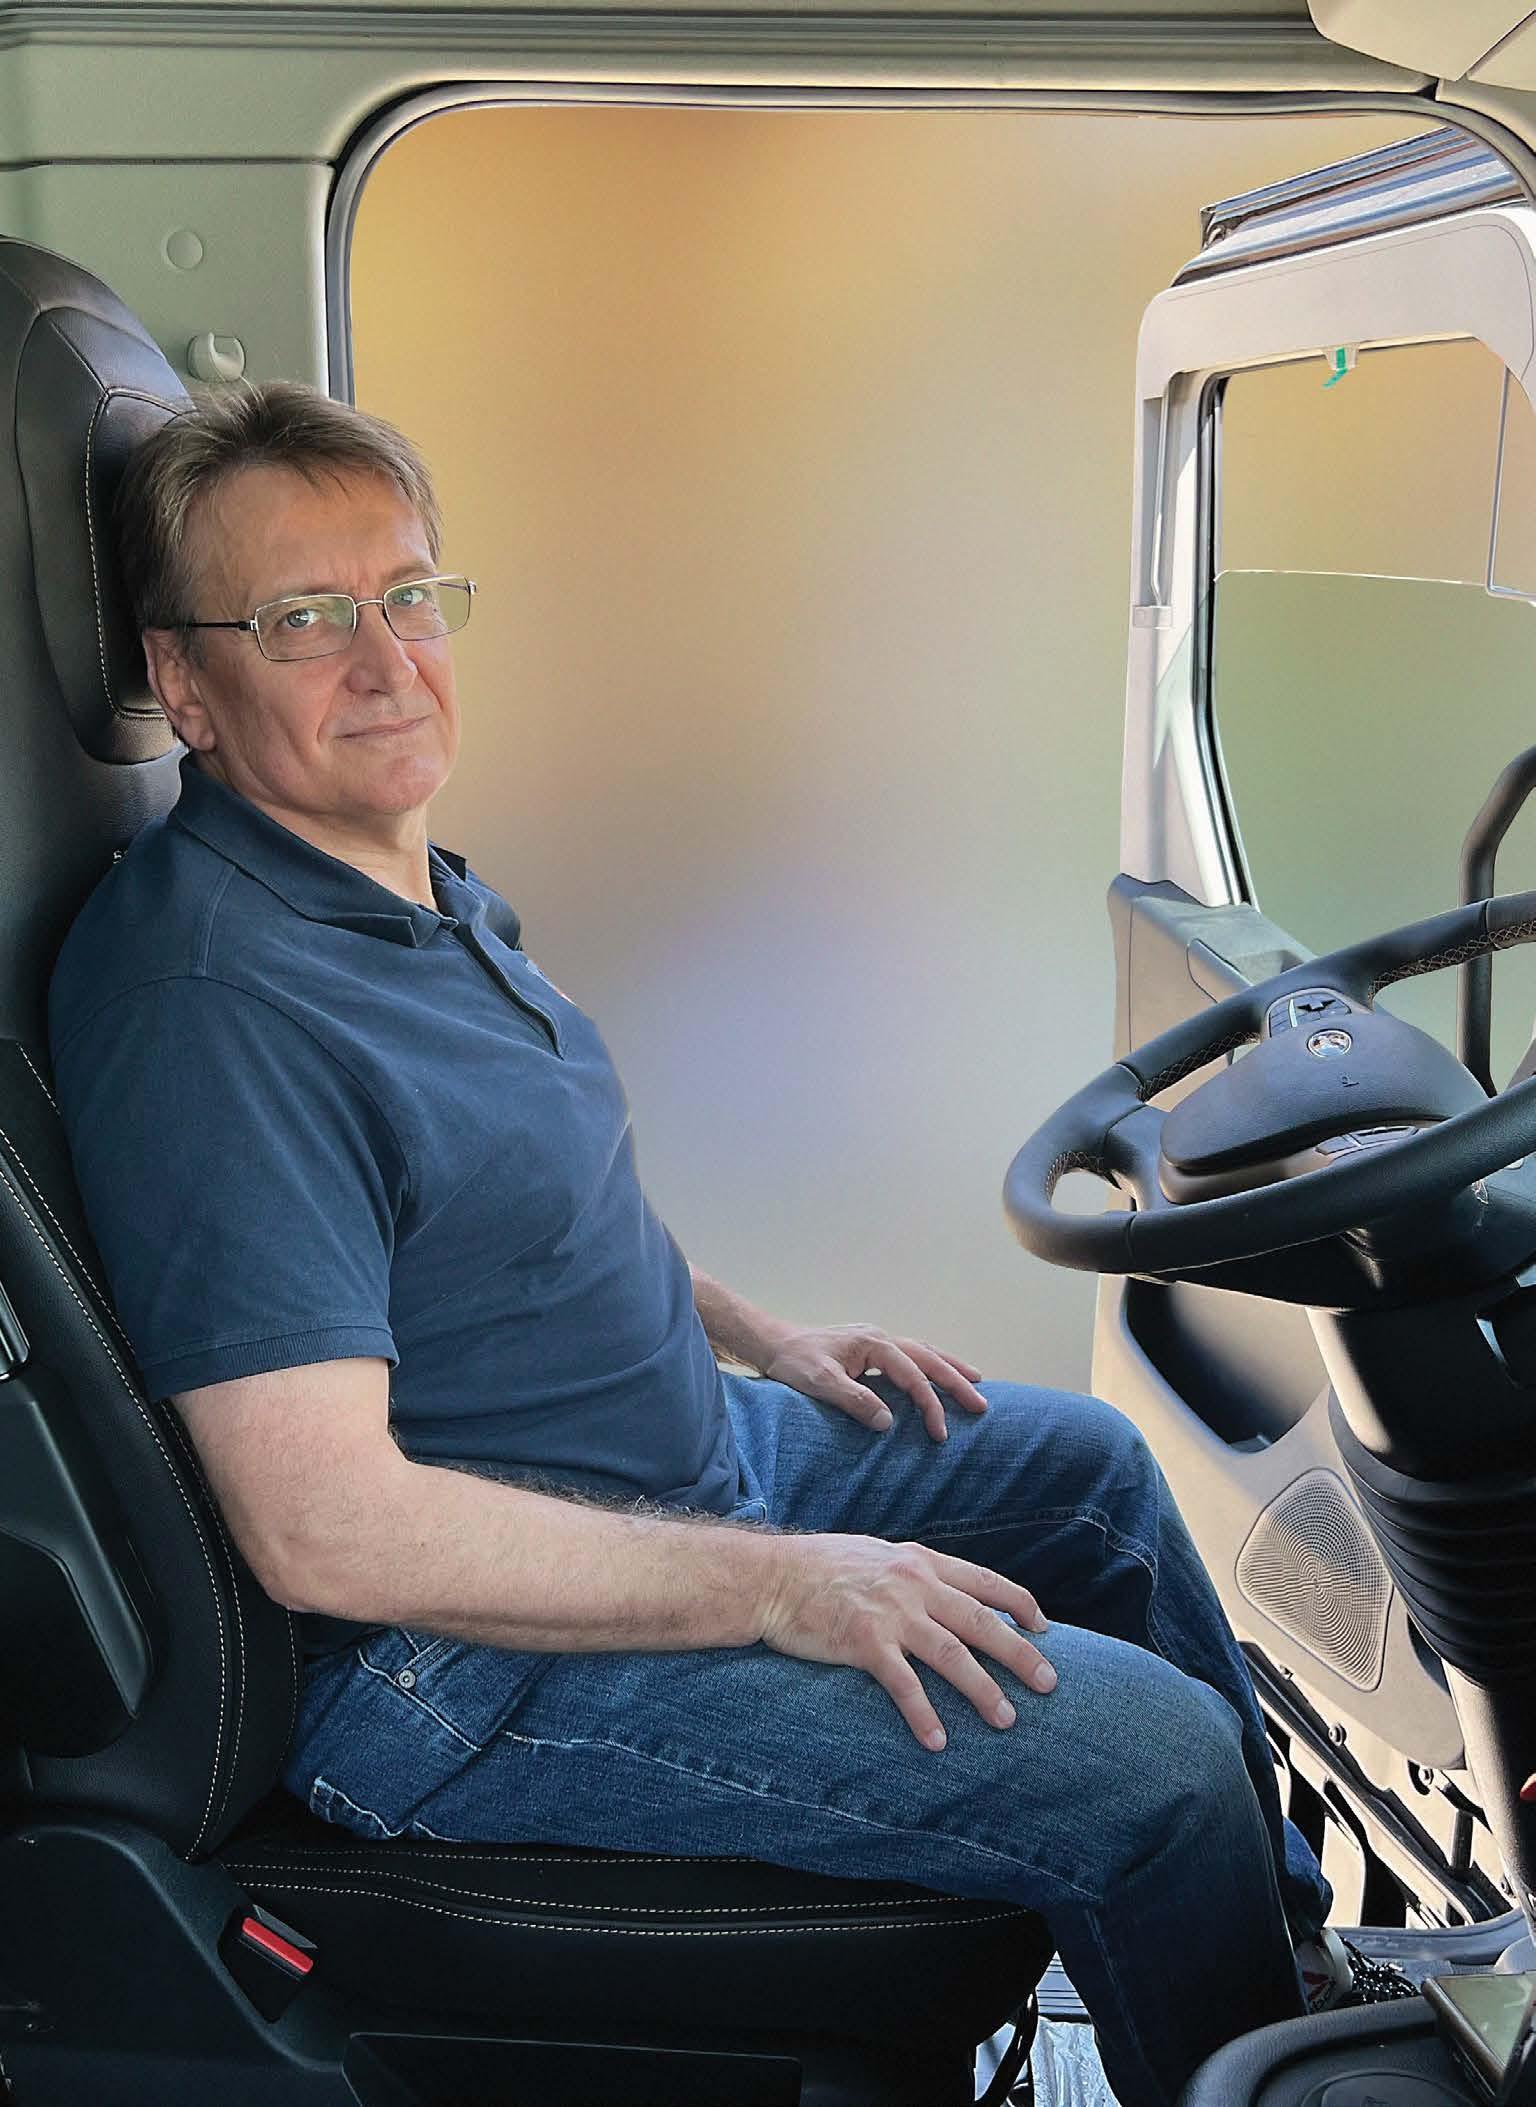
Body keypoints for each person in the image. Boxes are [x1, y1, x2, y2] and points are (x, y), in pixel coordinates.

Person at [50, 382, 1368, 2107]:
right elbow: (325, 1528)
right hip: (457, 1663)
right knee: (1157, 1761)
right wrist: (784, 1583)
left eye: (408, 595)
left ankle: (1293, 1990)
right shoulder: (216, 1005)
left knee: (1092, 1475)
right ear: (181, 683)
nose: (386, 663)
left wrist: (761, 1336)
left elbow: (502, 1205)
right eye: (303, 619)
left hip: (676, 1459)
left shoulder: (400, 884)